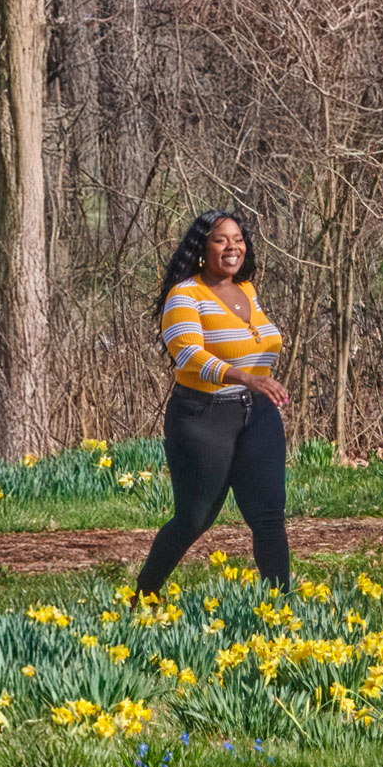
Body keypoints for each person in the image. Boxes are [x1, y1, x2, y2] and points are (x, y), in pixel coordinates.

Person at [136, 210, 292, 600]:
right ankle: (144, 595)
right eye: (221, 239)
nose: (233, 246)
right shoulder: (185, 295)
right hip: (203, 416)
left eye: (238, 239)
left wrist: (255, 384)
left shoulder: (249, 291)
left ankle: (281, 609)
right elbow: (187, 354)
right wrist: (246, 376)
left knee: (269, 517)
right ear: (202, 247)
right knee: (194, 519)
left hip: (258, 415)